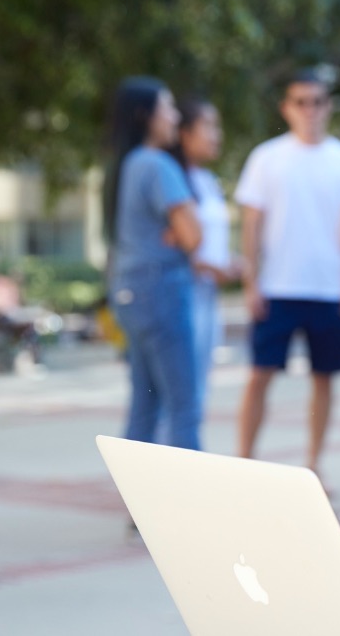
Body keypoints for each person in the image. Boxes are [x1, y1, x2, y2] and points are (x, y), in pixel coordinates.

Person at [234, 69, 340, 476]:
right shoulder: (266, 158)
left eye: (317, 101)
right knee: (260, 375)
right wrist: (251, 281)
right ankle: (243, 463)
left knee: (324, 379)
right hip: (276, 288)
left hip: (328, 289)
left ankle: (314, 465)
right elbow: (251, 224)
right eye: (301, 102)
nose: (310, 109)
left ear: (327, 106)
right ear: (287, 108)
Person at [105, 76, 203, 451]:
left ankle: (140, 507)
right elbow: (194, 236)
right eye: (169, 108)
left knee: (145, 406)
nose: (176, 118)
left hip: (130, 292)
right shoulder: (158, 164)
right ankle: (185, 507)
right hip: (160, 291)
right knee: (183, 406)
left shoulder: (127, 164)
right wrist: (183, 228)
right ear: (145, 115)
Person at [175, 98, 237, 405]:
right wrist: (217, 268)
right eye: (208, 126)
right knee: (182, 397)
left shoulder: (207, 180)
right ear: (184, 132)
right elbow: (180, 244)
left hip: (208, 296)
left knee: (198, 394)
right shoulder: (173, 178)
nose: (217, 135)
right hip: (183, 297)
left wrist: (230, 265)